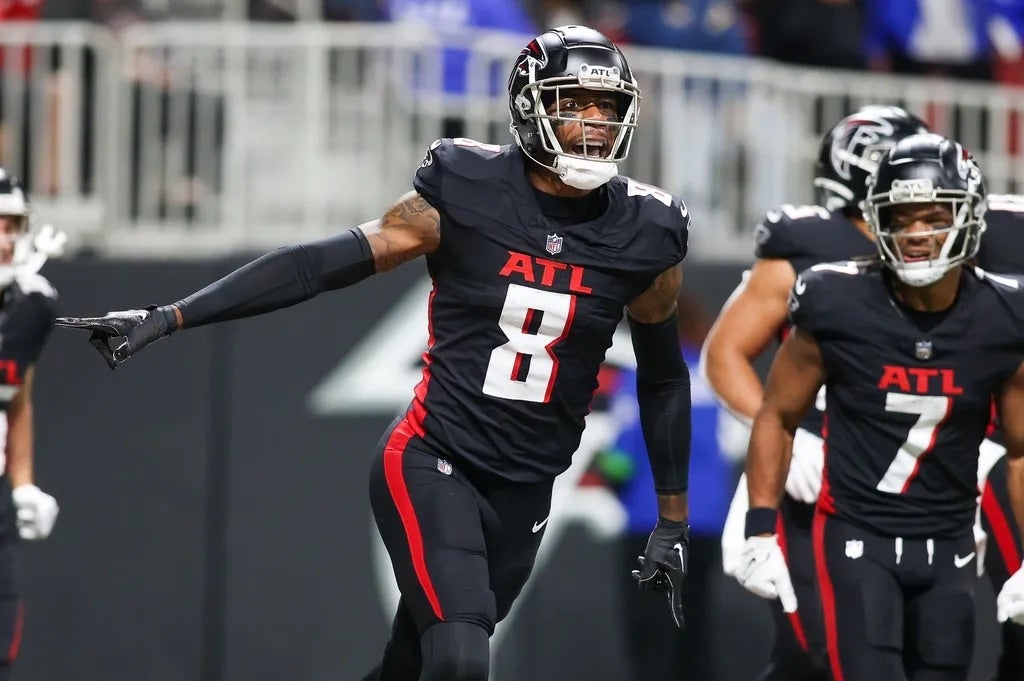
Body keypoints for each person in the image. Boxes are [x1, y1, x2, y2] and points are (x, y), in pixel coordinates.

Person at [54, 25, 694, 681]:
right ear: (531, 105)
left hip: (528, 488)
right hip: (436, 458)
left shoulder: (645, 232)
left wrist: (673, 520)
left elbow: (665, 378)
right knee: (461, 660)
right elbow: (318, 265)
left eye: (606, 107)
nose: (593, 122)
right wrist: (172, 315)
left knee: (411, 663)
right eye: (575, 102)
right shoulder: (469, 191)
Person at [736, 132, 1024, 680]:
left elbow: (1020, 451)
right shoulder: (834, 300)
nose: (916, 234)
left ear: (969, 218)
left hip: (952, 540)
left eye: (934, 216)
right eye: (901, 218)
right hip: (856, 534)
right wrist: (760, 527)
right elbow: (778, 414)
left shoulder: (1005, 314)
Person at [703, 104, 929, 681]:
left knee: (899, 650)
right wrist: (779, 437)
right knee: (820, 648)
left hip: (907, 477)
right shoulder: (807, 247)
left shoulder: (939, 253)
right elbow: (725, 353)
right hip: (815, 467)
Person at [600, 292, 732, 681]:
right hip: (706, 524)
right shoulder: (715, 379)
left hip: (652, 525)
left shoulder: (641, 379)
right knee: (694, 633)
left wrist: (609, 475)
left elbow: (619, 462)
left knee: (651, 637)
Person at [0, 171, 63, 681]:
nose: (4, 239)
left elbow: (16, 398)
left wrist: (22, 483)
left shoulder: (25, 305)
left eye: (11, 225)